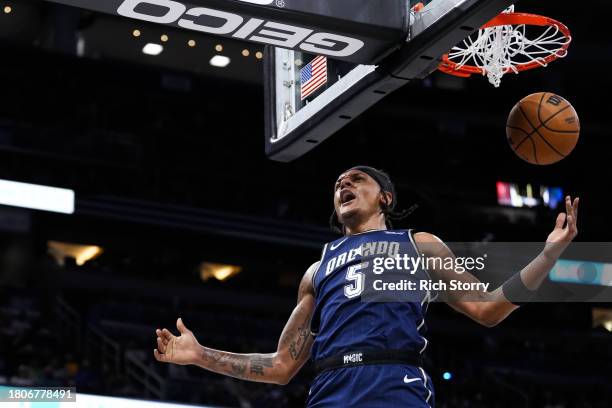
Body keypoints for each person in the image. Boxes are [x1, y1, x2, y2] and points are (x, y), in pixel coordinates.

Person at [153, 166, 579, 407]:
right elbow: (282, 366)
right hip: (331, 393)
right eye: (338, 183)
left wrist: (548, 255)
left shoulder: (418, 243)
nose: (344, 184)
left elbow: (488, 309)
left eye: (356, 179)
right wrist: (200, 356)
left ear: (385, 198)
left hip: (394, 387)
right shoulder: (317, 270)